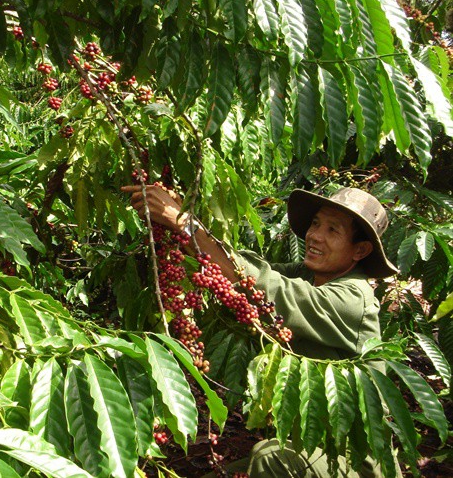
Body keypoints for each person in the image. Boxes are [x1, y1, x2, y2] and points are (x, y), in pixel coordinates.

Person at [121, 183, 399, 477]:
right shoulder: (309, 275)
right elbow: (240, 270)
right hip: (306, 446)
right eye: (316, 224)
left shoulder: (353, 300)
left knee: (270, 459)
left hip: (351, 459)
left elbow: (263, 289)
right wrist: (183, 223)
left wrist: (182, 221)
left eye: (333, 230)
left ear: (361, 250)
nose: (314, 235)